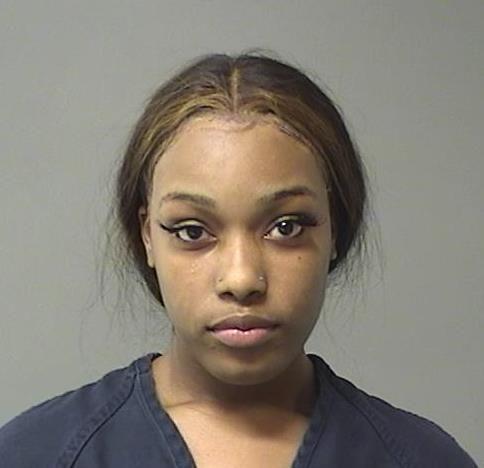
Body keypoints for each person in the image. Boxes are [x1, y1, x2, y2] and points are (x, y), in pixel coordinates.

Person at [0, 52, 477, 467]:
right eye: (193, 231)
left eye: (285, 227)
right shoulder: (35, 454)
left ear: (335, 226)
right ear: (147, 236)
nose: (242, 278)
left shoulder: (422, 459)